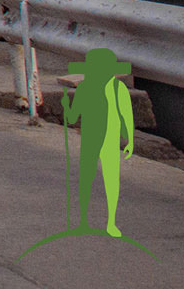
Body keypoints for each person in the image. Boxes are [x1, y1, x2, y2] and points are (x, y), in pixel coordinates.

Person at [61, 47, 137, 237]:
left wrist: (130, 140)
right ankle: (84, 221)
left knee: (111, 180)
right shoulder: (86, 88)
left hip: (110, 138)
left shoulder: (118, 88)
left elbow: (126, 116)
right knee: (87, 178)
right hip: (91, 137)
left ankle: (111, 222)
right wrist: (66, 107)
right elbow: (72, 118)